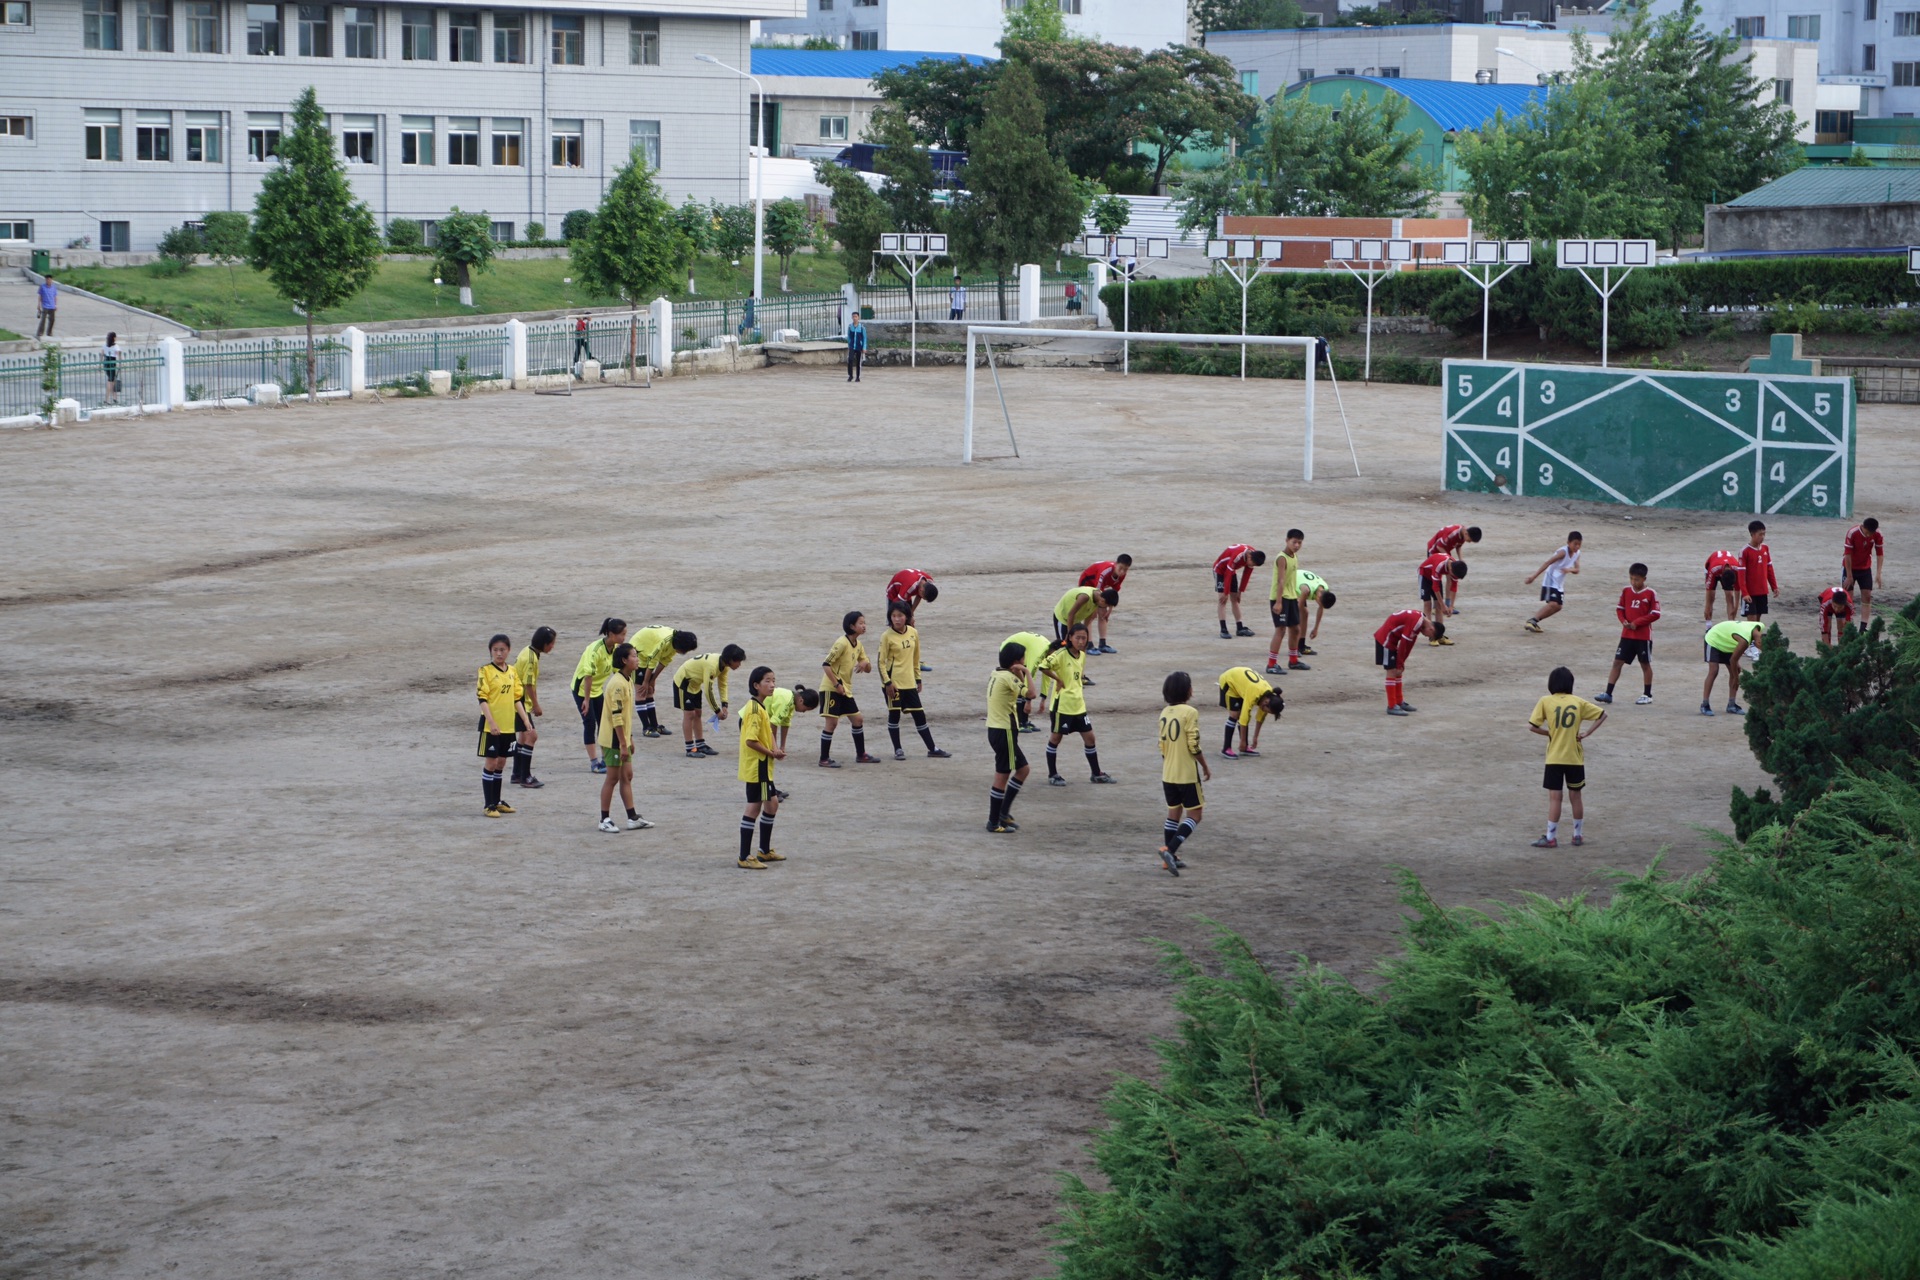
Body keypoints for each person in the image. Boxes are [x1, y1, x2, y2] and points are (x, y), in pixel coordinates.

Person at [1527, 666, 1606, 849]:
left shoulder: (1545, 701)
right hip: (1574, 757)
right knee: (1576, 796)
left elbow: (1532, 726)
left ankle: (1551, 837)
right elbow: (1602, 715)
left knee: (1555, 798)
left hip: (1554, 757)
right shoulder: (1578, 702)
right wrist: (1587, 733)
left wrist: (1549, 732)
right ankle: (1577, 835)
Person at [1038, 623, 1112, 786]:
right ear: (1070, 638)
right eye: (1077, 637)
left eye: (1084, 638)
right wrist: (1057, 679)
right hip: (1062, 706)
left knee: (1090, 738)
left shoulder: (1083, 655)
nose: (1081, 641)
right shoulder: (1060, 654)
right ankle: (1053, 774)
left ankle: (1096, 773)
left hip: (1078, 706)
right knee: (1056, 738)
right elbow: (1043, 666)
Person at [878, 602, 950, 760]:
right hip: (894, 684)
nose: (897, 619)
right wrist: (887, 683)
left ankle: (932, 748)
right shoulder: (887, 636)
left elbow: (916, 658)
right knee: (894, 715)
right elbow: (881, 662)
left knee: (920, 715)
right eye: (893, 616)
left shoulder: (913, 633)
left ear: (907, 617)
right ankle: (898, 749)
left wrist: (918, 678)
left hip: (909, 682)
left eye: (900, 616)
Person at [1156, 670, 1209, 878]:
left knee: (1173, 814)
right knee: (1195, 815)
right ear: (1188, 691)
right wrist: (1204, 765)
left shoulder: (1164, 713)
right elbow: (1193, 745)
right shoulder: (1190, 712)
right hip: (1186, 772)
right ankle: (1170, 850)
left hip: (1168, 772)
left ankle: (1170, 858)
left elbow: (1162, 745)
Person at [596, 643, 653, 833]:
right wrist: (622, 743)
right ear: (624, 660)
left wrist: (630, 739)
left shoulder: (628, 678)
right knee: (612, 779)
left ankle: (632, 817)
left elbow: (626, 716)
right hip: (613, 740)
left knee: (627, 776)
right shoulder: (618, 684)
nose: (637, 659)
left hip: (622, 739)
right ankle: (604, 819)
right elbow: (617, 716)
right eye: (634, 656)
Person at [736, 666, 787, 870]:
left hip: (763, 767)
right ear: (756, 685)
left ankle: (764, 851)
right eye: (767, 681)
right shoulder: (755, 710)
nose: (772, 684)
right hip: (757, 767)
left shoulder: (761, 706)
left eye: (773, 680)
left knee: (772, 803)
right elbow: (751, 741)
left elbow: (768, 733)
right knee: (754, 807)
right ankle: (744, 856)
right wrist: (771, 753)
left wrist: (775, 749)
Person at [820, 610, 879, 767]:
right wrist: (837, 685)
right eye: (861, 623)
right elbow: (826, 665)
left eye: (864, 622)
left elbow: (868, 668)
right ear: (852, 626)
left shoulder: (858, 645)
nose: (864, 626)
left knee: (858, 719)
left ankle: (861, 755)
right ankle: (824, 759)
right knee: (831, 723)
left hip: (845, 689)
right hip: (831, 688)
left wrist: (865, 663)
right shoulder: (841, 643)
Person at [476, 633, 525, 818]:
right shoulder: (485, 671)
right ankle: (488, 805)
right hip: (491, 726)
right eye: (495, 650)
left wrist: (526, 721)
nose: (499, 653)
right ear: (490, 651)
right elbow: (482, 698)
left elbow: (517, 699)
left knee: (502, 762)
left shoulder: (512, 672)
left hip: (508, 726)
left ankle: (497, 801)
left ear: (508, 651)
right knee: (491, 762)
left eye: (502, 650)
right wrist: (491, 721)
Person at [985, 640, 1031, 834]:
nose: (1025, 663)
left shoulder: (997, 673)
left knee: (1023, 770)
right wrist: (1027, 673)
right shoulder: (1008, 678)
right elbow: (1032, 694)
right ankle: (994, 821)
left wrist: (1018, 671)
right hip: (1005, 732)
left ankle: (1003, 813)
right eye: (1023, 660)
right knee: (1002, 775)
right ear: (1015, 662)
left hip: (996, 730)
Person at [1597, 564, 1659, 706]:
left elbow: (1656, 614)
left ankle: (1647, 694)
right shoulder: (1626, 591)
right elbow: (1620, 609)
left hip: (1643, 637)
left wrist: (1637, 622)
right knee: (1617, 662)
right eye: (1631, 578)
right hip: (1627, 635)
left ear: (1644, 579)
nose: (1633, 582)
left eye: (1636, 579)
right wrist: (1623, 621)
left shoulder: (1651, 593)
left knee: (1645, 664)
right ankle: (1608, 693)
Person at [571, 618, 627, 773]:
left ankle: (605, 759)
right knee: (589, 724)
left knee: (604, 723)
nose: (624, 638)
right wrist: (587, 701)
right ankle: (594, 763)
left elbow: (617, 671)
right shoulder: (595, 650)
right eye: (621, 634)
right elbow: (588, 677)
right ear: (611, 634)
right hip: (583, 690)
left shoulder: (615, 649)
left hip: (597, 690)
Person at [673, 643, 746, 756]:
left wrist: (724, 705)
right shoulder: (712, 666)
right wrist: (717, 711)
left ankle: (700, 744)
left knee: (698, 713)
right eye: (738, 661)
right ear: (731, 660)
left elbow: (723, 685)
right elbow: (708, 691)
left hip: (695, 685)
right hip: (683, 682)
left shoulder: (724, 666)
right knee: (689, 715)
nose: (739, 664)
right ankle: (690, 749)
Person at [629, 626, 698, 738]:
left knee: (650, 692)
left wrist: (652, 680)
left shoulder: (675, 643)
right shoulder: (664, 641)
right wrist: (646, 682)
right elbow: (652, 662)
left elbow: (664, 661)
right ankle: (646, 728)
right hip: (639, 654)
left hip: (648, 654)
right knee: (641, 692)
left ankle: (655, 725)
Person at [510, 625, 557, 787]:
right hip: (518, 702)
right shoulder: (531, 659)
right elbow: (529, 684)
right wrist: (536, 705)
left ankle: (516, 774)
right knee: (532, 736)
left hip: (515, 700)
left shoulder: (528, 651)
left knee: (523, 737)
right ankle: (525, 777)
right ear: (543, 643)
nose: (553, 646)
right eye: (551, 643)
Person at [1375, 608, 1440, 715]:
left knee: (1398, 670)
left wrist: (1402, 662)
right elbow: (1404, 643)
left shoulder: (1420, 620)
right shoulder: (1417, 622)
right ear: (1431, 629)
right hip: (1385, 640)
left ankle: (1399, 702)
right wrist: (1400, 663)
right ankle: (1391, 705)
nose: (1425, 636)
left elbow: (1410, 643)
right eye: (1429, 636)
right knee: (1392, 670)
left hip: (1392, 640)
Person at [1700, 619, 1765, 717]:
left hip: (1728, 641)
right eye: (1761, 649)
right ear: (1759, 642)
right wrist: (1736, 678)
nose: (1759, 650)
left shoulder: (1759, 626)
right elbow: (1733, 660)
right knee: (1714, 670)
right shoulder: (1744, 641)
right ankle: (1705, 704)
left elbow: (1734, 660)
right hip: (1715, 638)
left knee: (1735, 670)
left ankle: (1731, 705)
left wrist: (1735, 672)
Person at [1217, 665, 1283, 758]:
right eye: (1267, 710)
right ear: (1266, 702)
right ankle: (1226, 748)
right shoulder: (1254, 693)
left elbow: (1260, 718)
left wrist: (1255, 738)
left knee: (1241, 715)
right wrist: (1242, 741)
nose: (1265, 712)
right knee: (1235, 715)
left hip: (1241, 684)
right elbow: (1244, 717)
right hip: (1229, 680)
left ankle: (1245, 748)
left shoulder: (1269, 697)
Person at [1266, 530, 1309, 673]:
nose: (1297, 545)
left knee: (1296, 629)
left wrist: (1294, 596)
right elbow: (1281, 580)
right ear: (1287, 541)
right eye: (1294, 542)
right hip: (1280, 598)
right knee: (1281, 629)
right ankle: (1271, 664)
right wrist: (1278, 602)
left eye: (1299, 543)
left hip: (1290, 598)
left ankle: (1293, 660)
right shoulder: (1282, 558)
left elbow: (1291, 580)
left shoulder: (1294, 556)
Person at [1523, 531, 1583, 632]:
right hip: (1550, 580)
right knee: (1553, 604)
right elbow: (1547, 562)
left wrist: (1569, 570)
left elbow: (1577, 570)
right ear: (1568, 542)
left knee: (1558, 607)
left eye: (1579, 544)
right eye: (1575, 544)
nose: (1577, 547)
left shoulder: (1577, 553)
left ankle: (1535, 621)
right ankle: (1532, 621)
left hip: (1559, 583)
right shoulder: (1563, 552)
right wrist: (1534, 576)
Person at [1001, 630, 1054, 731]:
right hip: (1008, 650)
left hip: (1019, 653)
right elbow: (1030, 674)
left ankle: (1024, 722)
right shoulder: (1039, 653)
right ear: (1053, 651)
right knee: (1020, 689)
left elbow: (1047, 674)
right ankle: (1019, 723)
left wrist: (1043, 698)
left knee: (1023, 688)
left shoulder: (1050, 653)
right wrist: (1028, 701)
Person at [1077, 556, 1131, 653]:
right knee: (1090, 615)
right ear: (1115, 564)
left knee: (1103, 614)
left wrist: (1110, 609)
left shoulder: (1122, 575)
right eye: (1120, 568)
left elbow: (1113, 593)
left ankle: (1102, 644)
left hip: (1100, 588)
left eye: (1125, 569)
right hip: (1087, 583)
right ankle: (1088, 645)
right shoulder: (1105, 571)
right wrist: (1093, 609)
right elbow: (1097, 592)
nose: (1122, 572)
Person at [1213, 544, 1266, 639]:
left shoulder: (1253, 555)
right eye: (1252, 564)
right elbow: (1227, 573)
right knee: (1222, 600)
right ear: (1249, 557)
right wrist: (1225, 593)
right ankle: (1223, 629)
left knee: (1235, 599)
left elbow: (1247, 574)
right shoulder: (1239, 555)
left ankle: (1239, 627)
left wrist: (1240, 591)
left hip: (1231, 571)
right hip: (1220, 570)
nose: (1251, 566)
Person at [1426, 524, 1482, 613]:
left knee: (1451, 576)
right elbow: (1439, 546)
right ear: (1466, 534)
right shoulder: (1452, 533)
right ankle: (1436, 606)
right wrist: (1450, 559)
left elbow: (1458, 546)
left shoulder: (1463, 534)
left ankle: (1448, 605)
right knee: (1437, 579)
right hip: (1434, 551)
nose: (1469, 542)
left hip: (1445, 552)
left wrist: (1461, 559)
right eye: (1470, 540)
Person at [1417, 548, 1467, 641]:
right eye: (1453, 575)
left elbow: (1453, 587)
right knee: (1428, 604)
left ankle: (1439, 635)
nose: (1453, 577)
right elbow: (1435, 588)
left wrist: (1451, 606)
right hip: (1424, 575)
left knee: (1439, 607)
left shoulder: (1455, 567)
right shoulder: (1440, 565)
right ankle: (1431, 635)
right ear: (1450, 568)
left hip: (1435, 577)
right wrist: (1443, 605)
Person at [1843, 517, 1884, 628]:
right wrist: (1849, 575)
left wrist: (1878, 573)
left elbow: (1880, 553)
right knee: (1848, 597)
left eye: (1871, 533)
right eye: (1867, 533)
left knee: (1867, 596)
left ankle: (1863, 627)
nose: (1868, 536)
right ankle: (1848, 625)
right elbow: (1847, 555)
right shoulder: (1852, 533)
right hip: (1849, 568)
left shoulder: (1877, 534)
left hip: (1865, 568)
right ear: (1863, 527)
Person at [1740, 520, 1778, 623]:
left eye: (1764, 534)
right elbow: (1741, 575)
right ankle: (1751, 639)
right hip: (1750, 593)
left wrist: (1774, 586)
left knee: (1758, 620)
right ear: (1752, 534)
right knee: (1751, 621)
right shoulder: (1745, 551)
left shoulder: (1765, 548)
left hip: (1762, 591)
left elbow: (1769, 568)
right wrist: (1745, 593)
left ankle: (1756, 639)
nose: (1763, 537)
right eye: (1760, 534)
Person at [1054, 583, 1118, 644]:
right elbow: (1071, 614)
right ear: (1102, 601)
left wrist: (1084, 631)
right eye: (1106, 606)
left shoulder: (1099, 597)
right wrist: (1069, 633)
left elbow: (1089, 615)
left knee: (1074, 644)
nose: (1105, 608)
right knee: (1063, 644)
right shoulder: (1085, 597)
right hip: (1063, 617)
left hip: (1075, 619)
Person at [1293, 570, 1336, 656]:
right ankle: (1294, 648)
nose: (1319, 605)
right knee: (1298, 616)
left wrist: (1316, 628)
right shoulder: (1306, 590)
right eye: (1319, 603)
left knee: (1304, 614)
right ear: (1319, 596)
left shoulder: (1325, 589)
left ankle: (1301, 646)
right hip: (1289, 582)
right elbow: (1297, 610)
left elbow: (1320, 608)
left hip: (1300, 579)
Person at [1703, 549, 1745, 622]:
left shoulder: (1737, 570)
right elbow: (1709, 589)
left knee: (1730, 596)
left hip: (1727, 568)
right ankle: (1708, 625)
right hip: (1711, 565)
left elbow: (1737, 590)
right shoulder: (1713, 569)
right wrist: (1707, 606)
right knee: (1711, 598)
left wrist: (1736, 608)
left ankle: (1731, 624)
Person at [102, 332, 122, 406]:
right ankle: (106, 399)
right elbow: (119, 355)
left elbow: (102, 354)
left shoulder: (105, 345)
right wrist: (120, 364)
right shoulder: (116, 346)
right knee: (110, 381)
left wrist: (100, 364)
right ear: (114, 338)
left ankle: (115, 398)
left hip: (106, 362)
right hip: (112, 363)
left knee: (112, 380)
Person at [846, 313, 867, 382]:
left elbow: (864, 338)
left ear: (858, 318)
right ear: (852, 318)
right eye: (853, 317)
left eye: (856, 316)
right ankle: (850, 375)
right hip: (852, 346)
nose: (855, 318)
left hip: (859, 347)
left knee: (858, 362)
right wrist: (849, 345)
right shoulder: (850, 327)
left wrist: (864, 347)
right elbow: (849, 336)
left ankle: (858, 377)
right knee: (850, 360)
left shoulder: (861, 327)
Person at [35, 273, 57, 338]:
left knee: (52, 320)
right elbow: (40, 296)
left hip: (52, 306)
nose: (48, 281)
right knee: (43, 320)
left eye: (50, 279)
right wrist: (38, 305)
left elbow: (55, 296)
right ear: (46, 280)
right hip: (45, 306)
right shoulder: (42, 287)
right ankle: (40, 332)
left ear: (51, 280)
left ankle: (49, 332)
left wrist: (56, 305)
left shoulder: (54, 287)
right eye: (47, 279)